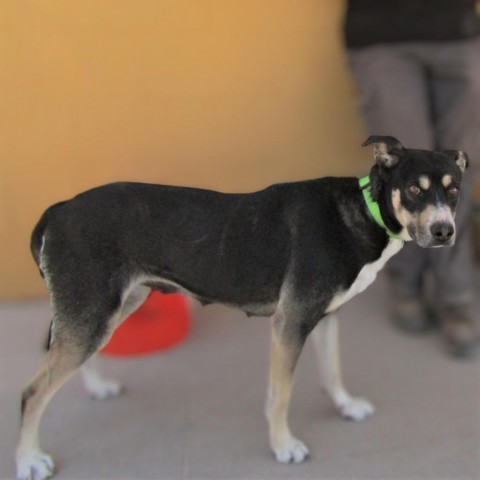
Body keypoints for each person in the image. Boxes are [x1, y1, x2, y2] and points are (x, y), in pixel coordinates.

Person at [344, 0, 480, 358]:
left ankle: (455, 294)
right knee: (402, 170)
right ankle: (406, 283)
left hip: (459, 30)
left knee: (462, 168)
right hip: (382, 34)